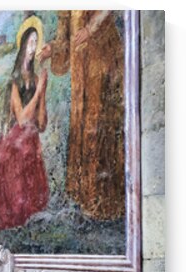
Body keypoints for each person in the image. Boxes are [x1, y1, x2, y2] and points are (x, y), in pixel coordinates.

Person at [38, 11, 125, 220]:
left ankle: (105, 202)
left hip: (102, 58)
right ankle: (84, 197)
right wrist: (53, 48)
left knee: (99, 122)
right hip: (80, 70)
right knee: (81, 123)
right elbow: (64, 38)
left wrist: (90, 29)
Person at [0, 17, 50, 231]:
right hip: (13, 144)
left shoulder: (37, 79)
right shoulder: (14, 81)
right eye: (30, 42)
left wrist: (43, 93)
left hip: (31, 142)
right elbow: (21, 118)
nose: (34, 48)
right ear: (23, 45)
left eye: (36, 43)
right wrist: (38, 92)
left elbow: (41, 124)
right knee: (14, 204)